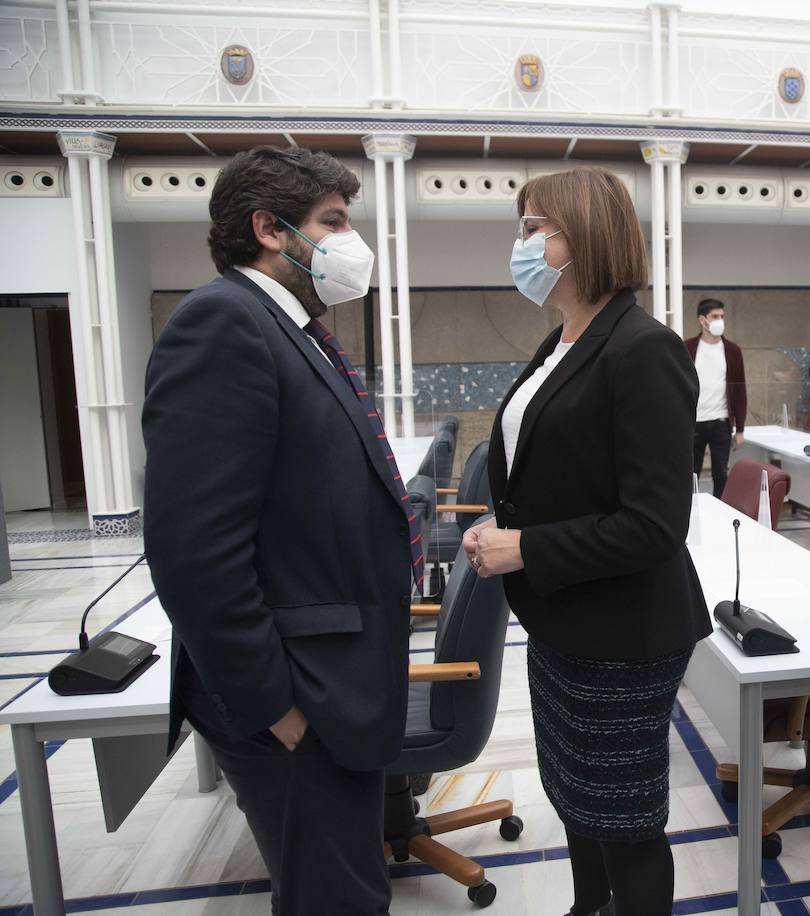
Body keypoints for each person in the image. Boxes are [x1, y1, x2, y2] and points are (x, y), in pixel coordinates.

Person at [143, 147, 413, 915]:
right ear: (270, 229)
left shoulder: (287, 325)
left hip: (329, 683)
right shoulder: (223, 323)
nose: (348, 241)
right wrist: (276, 708)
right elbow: (194, 550)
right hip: (294, 699)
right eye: (333, 222)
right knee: (338, 902)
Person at [464, 167, 710, 916]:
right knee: (576, 796)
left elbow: (656, 524)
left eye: (537, 227)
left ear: (588, 235)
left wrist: (526, 547)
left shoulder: (644, 350)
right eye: (523, 227)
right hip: (564, 617)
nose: (524, 242)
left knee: (624, 819)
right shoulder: (564, 339)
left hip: (623, 631)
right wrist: (503, 528)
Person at [685, 298, 748, 498]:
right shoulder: (688, 348)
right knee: (691, 473)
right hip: (695, 421)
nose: (720, 320)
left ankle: (720, 508)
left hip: (721, 421)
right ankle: (690, 512)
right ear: (702, 320)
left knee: (720, 473)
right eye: (715, 316)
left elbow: (739, 391)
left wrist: (740, 429)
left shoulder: (733, 351)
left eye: (722, 316)